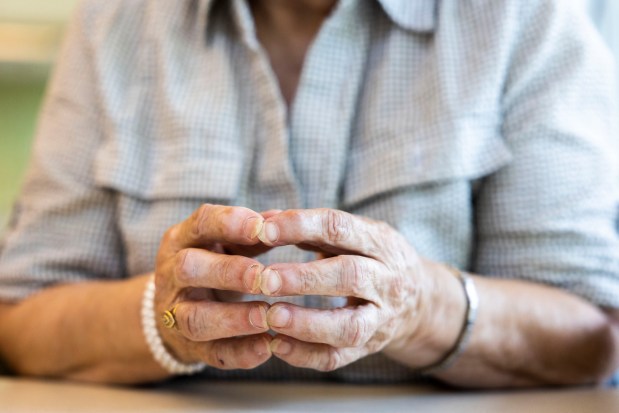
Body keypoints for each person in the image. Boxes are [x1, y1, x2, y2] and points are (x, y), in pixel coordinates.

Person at [0, 0, 618, 387]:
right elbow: (21, 319)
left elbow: (593, 334)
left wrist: (419, 305)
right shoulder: (116, 21)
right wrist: (167, 321)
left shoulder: (525, 18)